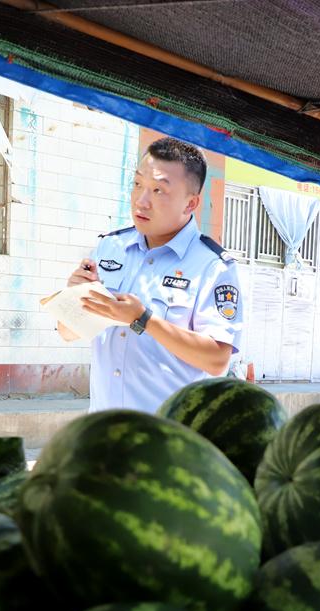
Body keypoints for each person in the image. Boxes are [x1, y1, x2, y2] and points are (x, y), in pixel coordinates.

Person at [62, 137, 244, 413]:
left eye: (158, 190)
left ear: (190, 204)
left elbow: (218, 359)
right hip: (102, 433)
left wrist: (143, 320)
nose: (141, 201)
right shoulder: (110, 247)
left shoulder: (213, 266)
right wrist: (77, 298)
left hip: (167, 441)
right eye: (137, 184)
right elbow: (67, 332)